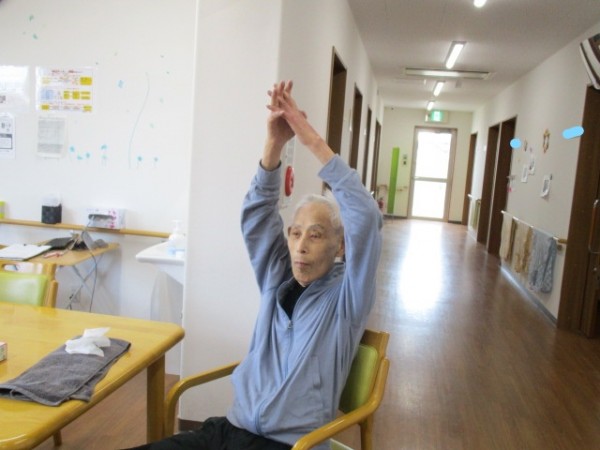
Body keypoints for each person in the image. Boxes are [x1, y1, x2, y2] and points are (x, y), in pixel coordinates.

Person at [129, 81, 382, 450]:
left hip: (290, 444)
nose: (301, 246)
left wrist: (309, 138)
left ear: (340, 245)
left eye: (315, 235)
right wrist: (275, 144)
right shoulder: (277, 278)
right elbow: (257, 216)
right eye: (295, 233)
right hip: (230, 428)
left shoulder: (347, 300)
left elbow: (366, 216)